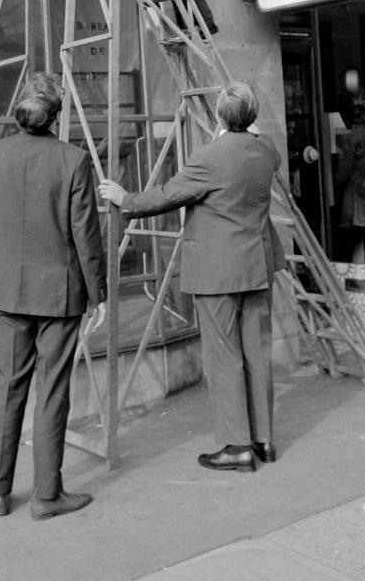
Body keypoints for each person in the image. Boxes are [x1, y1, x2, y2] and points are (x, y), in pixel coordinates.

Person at [99, 80, 282, 473]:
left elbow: (166, 194)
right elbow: (257, 141)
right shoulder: (267, 151)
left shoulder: (210, 158)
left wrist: (124, 199)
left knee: (224, 357)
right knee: (256, 353)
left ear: (219, 116)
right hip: (258, 266)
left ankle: (237, 445)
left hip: (218, 273)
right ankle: (263, 440)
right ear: (251, 117)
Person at [0, 73, 107, 519]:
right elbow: (85, 234)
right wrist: (97, 293)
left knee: (8, 389)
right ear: (55, 115)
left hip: (8, 290)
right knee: (52, 392)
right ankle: (47, 495)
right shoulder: (73, 160)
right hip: (59, 294)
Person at [334, 101, 365, 264]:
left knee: (355, 239)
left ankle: (357, 277)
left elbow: (343, 172)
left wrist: (337, 184)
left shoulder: (351, 137)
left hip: (357, 196)